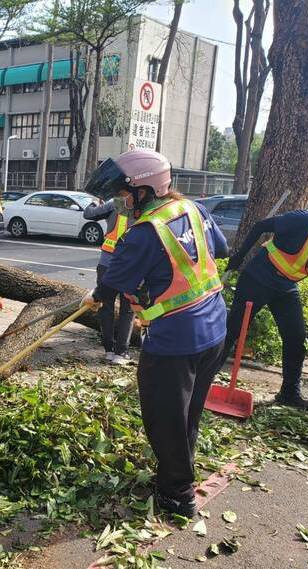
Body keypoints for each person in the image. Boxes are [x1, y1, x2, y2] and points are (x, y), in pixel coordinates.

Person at [84, 149, 229, 518]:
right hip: (215, 329)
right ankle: (178, 472)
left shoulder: (144, 233)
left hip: (176, 341)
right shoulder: (194, 209)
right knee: (188, 411)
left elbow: (113, 283)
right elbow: (222, 250)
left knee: (164, 418)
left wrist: (96, 297)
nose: (120, 202)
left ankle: (178, 495)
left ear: (144, 191)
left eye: (123, 194)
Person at [223, 198, 308, 410]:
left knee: (296, 338)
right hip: (258, 279)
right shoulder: (301, 220)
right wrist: (239, 256)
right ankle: (202, 379)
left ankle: (289, 393)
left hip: (286, 288)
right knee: (232, 330)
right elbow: (261, 226)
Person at [83, 198, 135, 365]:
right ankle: (121, 352)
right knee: (128, 309)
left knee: (105, 306)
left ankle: (108, 350)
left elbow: (89, 214)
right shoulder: (143, 205)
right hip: (130, 266)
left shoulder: (114, 203)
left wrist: (92, 203)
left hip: (107, 264)